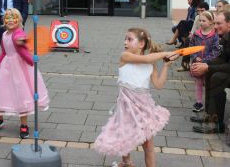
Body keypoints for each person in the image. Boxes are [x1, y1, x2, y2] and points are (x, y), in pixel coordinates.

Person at [94, 28, 178, 167]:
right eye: (125, 39)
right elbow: (145, 58)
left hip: (144, 107)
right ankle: (126, 162)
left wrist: (166, 66)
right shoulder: (125, 56)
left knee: (148, 144)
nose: (125, 42)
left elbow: (158, 84)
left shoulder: (151, 64)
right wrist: (167, 53)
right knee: (124, 135)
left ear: (141, 44)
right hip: (126, 106)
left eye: (129, 39)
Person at [0, 8, 49, 139]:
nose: (10, 20)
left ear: (19, 20)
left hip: (20, 69)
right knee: (1, 92)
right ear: (4, 21)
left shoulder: (18, 33)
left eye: (13, 18)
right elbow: (4, 52)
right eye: (7, 18)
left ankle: (24, 124)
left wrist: (31, 61)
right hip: (6, 69)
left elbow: (23, 48)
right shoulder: (4, 35)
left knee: (22, 95)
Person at [190, 10, 230, 134]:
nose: (216, 27)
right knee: (210, 73)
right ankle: (209, 116)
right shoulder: (224, 37)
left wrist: (208, 67)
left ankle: (217, 124)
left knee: (217, 77)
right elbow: (220, 58)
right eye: (215, 23)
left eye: (219, 24)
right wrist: (205, 65)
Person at [189, 11, 219, 112]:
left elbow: (216, 51)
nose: (201, 23)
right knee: (198, 83)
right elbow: (191, 47)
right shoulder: (196, 34)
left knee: (208, 83)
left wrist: (205, 60)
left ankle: (209, 103)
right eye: (200, 20)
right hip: (197, 63)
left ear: (211, 22)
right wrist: (195, 57)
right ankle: (199, 102)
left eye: (204, 21)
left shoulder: (215, 36)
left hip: (208, 65)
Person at [177, 2, 210, 72]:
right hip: (198, 37)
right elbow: (193, 30)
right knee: (188, 41)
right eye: (198, 11)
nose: (200, 12)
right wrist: (191, 36)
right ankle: (185, 64)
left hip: (208, 39)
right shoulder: (197, 17)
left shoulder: (211, 18)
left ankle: (198, 65)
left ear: (207, 10)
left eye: (202, 10)